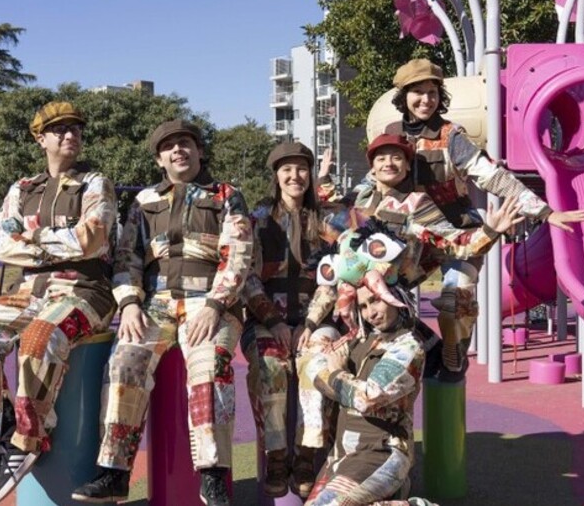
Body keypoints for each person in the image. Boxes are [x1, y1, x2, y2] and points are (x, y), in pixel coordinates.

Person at [329, 58, 584, 377]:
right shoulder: (392, 134)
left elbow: (490, 175)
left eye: (432, 92)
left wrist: (544, 211)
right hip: (412, 241)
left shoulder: (451, 135)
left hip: (457, 236)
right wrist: (336, 207)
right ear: (404, 96)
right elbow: (370, 182)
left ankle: (454, 356)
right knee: (370, 292)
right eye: (417, 92)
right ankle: (423, 346)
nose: (426, 99)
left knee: (455, 302)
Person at [71, 120, 253, 506]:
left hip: (210, 301)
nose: (178, 151)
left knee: (210, 363)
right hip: (156, 304)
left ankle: (213, 473)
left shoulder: (227, 195)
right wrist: (130, 302)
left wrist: (217, 305)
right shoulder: (143, 202)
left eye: (185, 143)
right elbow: (127, 257)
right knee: (124, 361)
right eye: (168, 147)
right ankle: (115, 471)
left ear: (199, 151)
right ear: (159, 159)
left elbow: (237, 254)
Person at [0, 101, 118, 503]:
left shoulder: (96, 184)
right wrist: (59, 245)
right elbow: (4, 247)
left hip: (86, 291)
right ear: (40, 138)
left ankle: (27, 440)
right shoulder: (21, 189)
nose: (70, 135)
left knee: (40, 338)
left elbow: (91, 240)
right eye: (59, 129)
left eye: (76, 128)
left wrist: (36, 242)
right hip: (30, 292)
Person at [298, 211, 517, 506]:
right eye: (363, 306)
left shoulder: (408, 346)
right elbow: (312, 364)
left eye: (375, 300)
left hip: (383, 454)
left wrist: (334, 373)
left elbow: (368, 396)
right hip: (343, 456)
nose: (371, 312)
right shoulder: (358, 339)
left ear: (394, 294)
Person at [239, 142, 344, 497]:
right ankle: (277, 455)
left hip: (315, 319)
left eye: (301, 169)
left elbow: (333, 278)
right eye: (287, 169)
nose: (295, 176)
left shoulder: (326, 222)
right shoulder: (258, 220)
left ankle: (305, 454)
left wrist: (310, 324)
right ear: (276, 176)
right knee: (269, 367)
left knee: (317, 363)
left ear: (310, 175)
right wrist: (274, 321)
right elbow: (247, 278)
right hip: (267, 321)